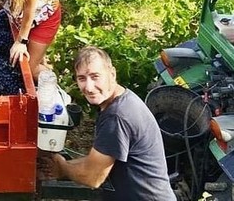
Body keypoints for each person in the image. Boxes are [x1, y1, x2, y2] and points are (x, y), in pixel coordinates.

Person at [38, 46, 175, 201]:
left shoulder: (117, 117)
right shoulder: (120, 100)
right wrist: (63, 165)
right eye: (82, 78)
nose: (89, 87)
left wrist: (63, 167)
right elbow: (96, 162)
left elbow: (92, 177)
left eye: (95, 76)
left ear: (112, 74)